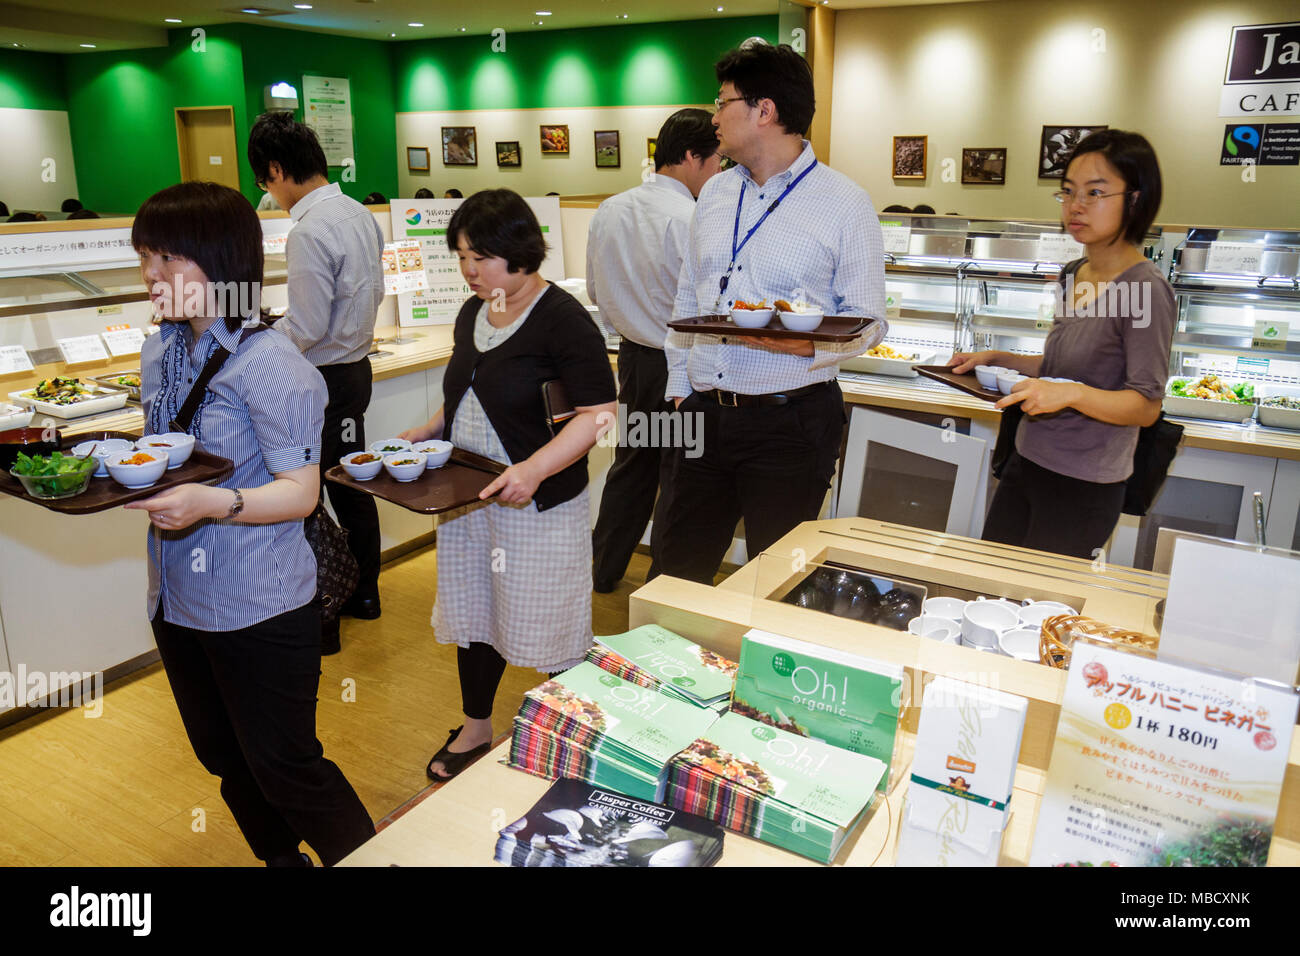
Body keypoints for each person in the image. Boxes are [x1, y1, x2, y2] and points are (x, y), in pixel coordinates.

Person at [123, 181, 375, 866]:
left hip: (258, 604)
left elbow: (298, 494)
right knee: (225, 760)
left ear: (221, 262)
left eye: (169, 260)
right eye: (146, 257)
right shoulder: (158, 355)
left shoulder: (275, 367)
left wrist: (213, 504)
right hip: (175, 599)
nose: (151, 276)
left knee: (287, 765)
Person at [399, 189, 616, 781]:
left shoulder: (563, 319)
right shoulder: (474, 310)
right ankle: (476, 727)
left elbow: (599, 415)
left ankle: (568, 737)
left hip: (536, 500)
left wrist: (533, 470)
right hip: (469, 495)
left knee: (550, 619)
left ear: (521, 254)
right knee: (477, 612)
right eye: (462, 257)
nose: (470, 271)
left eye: (482, 257)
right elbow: (466, 392)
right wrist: (428, 430)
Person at [657, 41, 886, 584]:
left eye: (722, 102)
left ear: (765, 111)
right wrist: (676, 389)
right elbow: (689, 295)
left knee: (775, 579)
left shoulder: (843, 202)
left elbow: (869, 320)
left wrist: (805, 344)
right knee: (676, 571)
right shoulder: (714, 193)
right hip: (703, 412)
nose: (713, 117)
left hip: (792, 422)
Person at [949, 129, 1173, 559]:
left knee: (1037, 610)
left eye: (1095, 192)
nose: (1076, 205)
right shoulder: (1074, 271)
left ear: (1136, 199)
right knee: (991, 585)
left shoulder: (1145, 287)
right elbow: (1062, 363)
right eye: (1068, 192)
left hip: (1085, 485)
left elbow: (1145, 405)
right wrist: (1000, 358)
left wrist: (1069, 394)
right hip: (1027, 462)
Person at [248, 111, 385, 650]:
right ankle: (365, 593)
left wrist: (258, 339)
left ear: (277, 170)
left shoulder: (307, 232)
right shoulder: (357, 212)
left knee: (309, 494)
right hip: (356, 371)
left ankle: (325, 607)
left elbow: (304, 326)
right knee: (351, 484)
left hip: (321, 378)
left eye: (264, 183)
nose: (268, 194)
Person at [586, 108, 722, 592]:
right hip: (680, 364)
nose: (719, 174)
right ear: (691, 156)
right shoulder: (693, 217)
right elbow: (709, 306)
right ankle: (663, 583)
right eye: (717, 162)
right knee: (678, 478)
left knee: (632, 469)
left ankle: (602, 572)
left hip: (635, 363)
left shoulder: (611, 208)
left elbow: (596, 292)